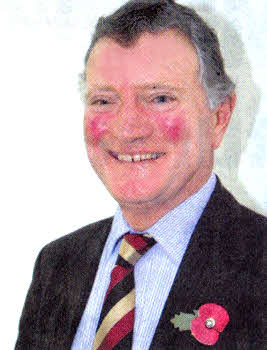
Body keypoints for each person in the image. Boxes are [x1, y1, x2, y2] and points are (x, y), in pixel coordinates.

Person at [15, 0, 265, 349]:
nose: (128, 129)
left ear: (219, 118)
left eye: (160, 98)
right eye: (104, 100)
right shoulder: (56, 265)